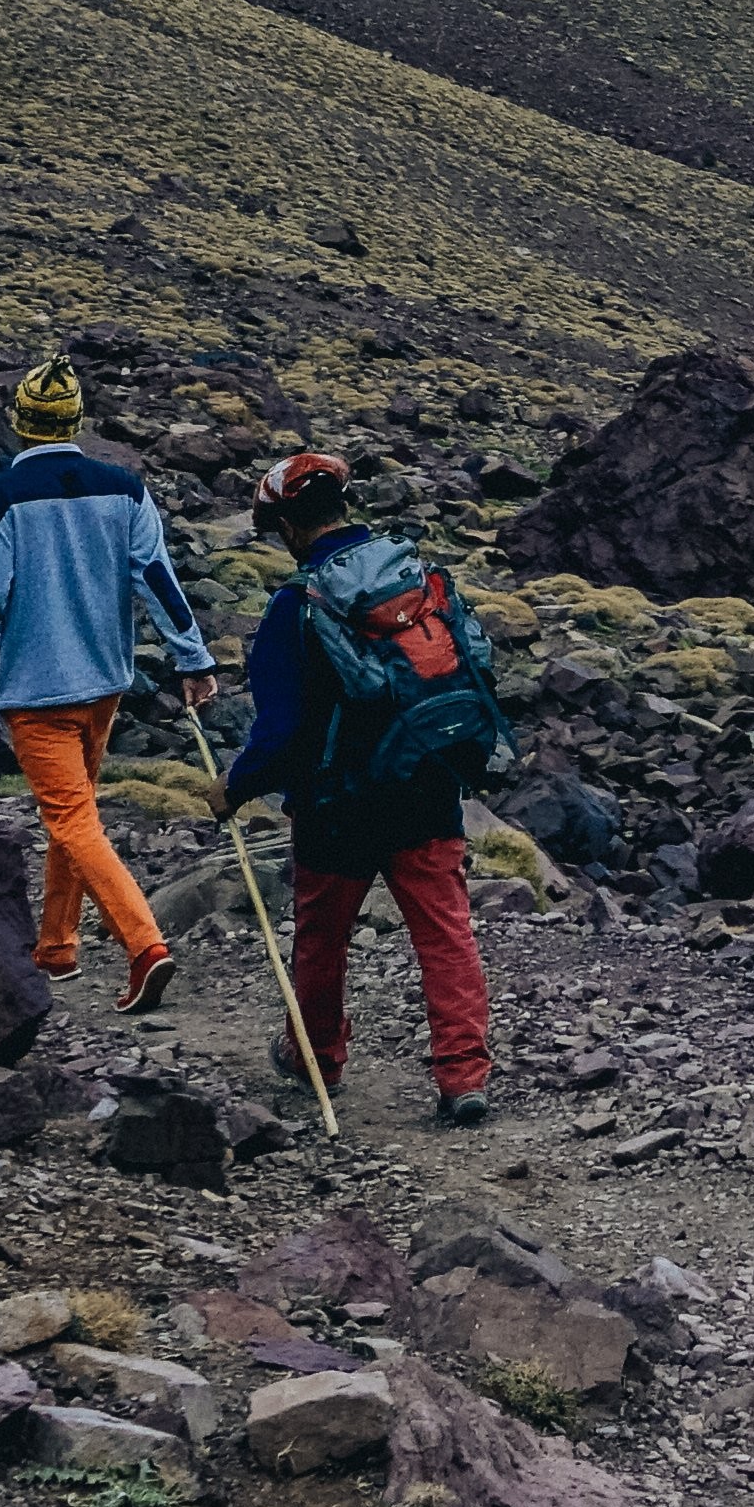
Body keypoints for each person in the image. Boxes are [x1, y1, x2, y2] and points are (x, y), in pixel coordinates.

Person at [216, 452, 502, 1127]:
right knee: (446, 934)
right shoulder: (420, 581)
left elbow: (281, 729)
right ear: (344, 507)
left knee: (323, 937)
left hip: (336, 803)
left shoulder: (296, 605)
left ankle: (317, 1057)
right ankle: (463, 1077)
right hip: (426, 782)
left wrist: (236, 786)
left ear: (288, 526)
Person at [0, 359, 213, 1015]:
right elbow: (157, 578)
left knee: (71, 819)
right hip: (104, 682)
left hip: (38, 688)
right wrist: (193, 659)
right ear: (75, 420)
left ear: (19, 421)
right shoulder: (124, 489)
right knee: (77, 815)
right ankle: (56, 946)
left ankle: (144, 945)